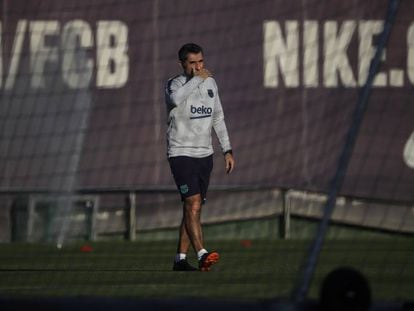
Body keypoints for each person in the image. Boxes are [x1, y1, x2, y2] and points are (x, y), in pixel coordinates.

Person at [165, 43, 235, 272]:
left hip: (205, 155)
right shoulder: (174, 84)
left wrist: (227, 149)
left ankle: (180, 260)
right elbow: (176, 100)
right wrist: (197, 78)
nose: (198, 67)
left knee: (193, 208)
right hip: (181, 153)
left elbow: (218, 118)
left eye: (201, 62)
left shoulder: (210, 83)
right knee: (192, 203)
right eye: (192, 62)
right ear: (182, 64)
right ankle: (203, 253)